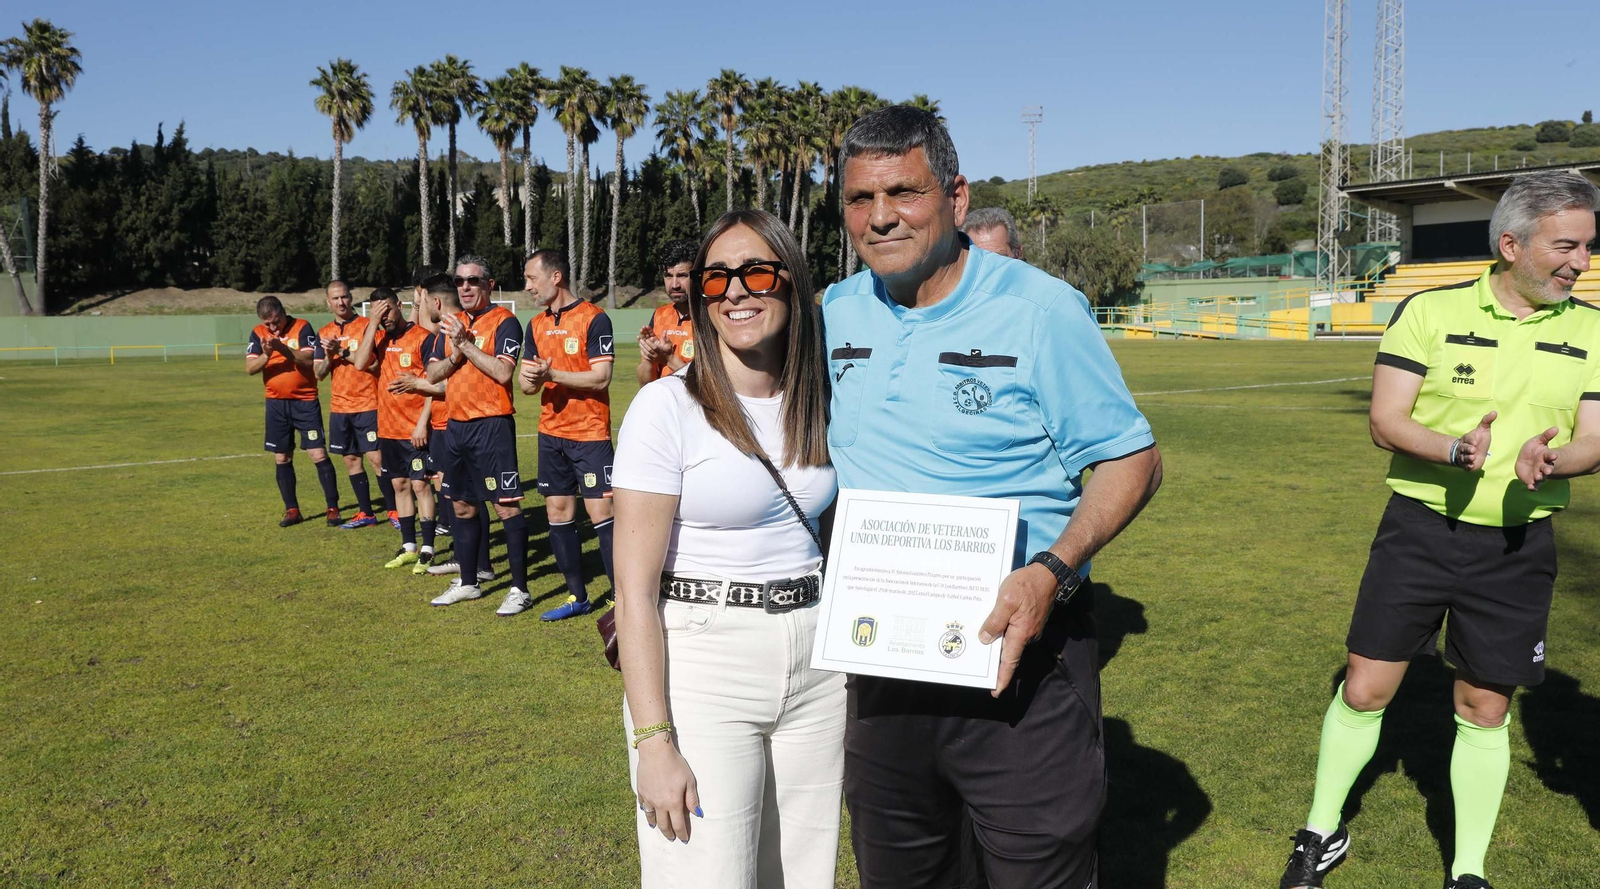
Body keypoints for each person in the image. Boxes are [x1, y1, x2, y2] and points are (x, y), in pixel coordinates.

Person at [823, 106, 1162, 889]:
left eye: (904, 193)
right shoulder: (838, 310)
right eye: (860, 198)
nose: (881, 217)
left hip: (1021, 656)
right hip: (881, 664)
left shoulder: (1040, 310)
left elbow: (1132, 460)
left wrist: (1052, 570)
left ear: (956, 197)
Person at [1279, 171, 1600, 889]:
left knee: (1483, 706)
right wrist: (1453, 449)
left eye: (1588, 246)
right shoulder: (1428, 309)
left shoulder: (1593, 328)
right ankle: (1320, 830)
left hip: (1517, 545)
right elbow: (1385, 420)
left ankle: (1467, 870)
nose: (1581, 262)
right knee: (1365, 687)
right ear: (1512, 244)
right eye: (1567, 246)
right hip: (1419, 531)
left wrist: (1556, 459)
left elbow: (1595, 438)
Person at [614, 208, 842, 887]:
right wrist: (653, 740)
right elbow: (632, 591)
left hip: (820, 661)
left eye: (756, 272)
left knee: (802, 874)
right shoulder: (667, 408)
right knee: (707, 873)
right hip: (704, 659)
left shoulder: (822, 399)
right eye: (715, 278)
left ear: (791, 280)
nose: (735, 291)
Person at [518, 248, 618, 620]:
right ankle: (578, 598)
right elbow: (527, 386)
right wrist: (533, 379)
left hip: (589, 433)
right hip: (551, 433)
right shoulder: (536, 324)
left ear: (555, 276)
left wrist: (552, 375)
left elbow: (601, 378)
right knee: (557, 512)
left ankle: (622, 598)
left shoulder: (594, 318)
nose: (527, 286)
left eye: (531, 278)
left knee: (601, 513)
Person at [424, 256, 528, 608]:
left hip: (492, 425)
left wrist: (465, 344)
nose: (465, 287)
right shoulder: (451, 324)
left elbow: (503, 373)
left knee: (505, 508)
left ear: (489, 284)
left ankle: (520, 590)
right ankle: (469, 582)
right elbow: (432, 374)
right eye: (459, 281)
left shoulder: (505, 322)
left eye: (473, 280)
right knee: (462, 506)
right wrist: (456, 353)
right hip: (456, 426)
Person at [353, 287, 439, 571]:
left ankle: (428, 548)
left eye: (387, 310)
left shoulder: (423, 338)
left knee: (420, 485)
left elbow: (434, 384)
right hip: (388, 429)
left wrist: (422, 423)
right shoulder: (378, 338)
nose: (384, 317)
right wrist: (373, 324)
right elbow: (360, 363)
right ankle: (409, 546)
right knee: (399, 485)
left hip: (415, 429)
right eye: (378, 312)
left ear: (399, 306)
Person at [245, 295, 345, 527]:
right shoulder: (258, 333)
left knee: (318, 454)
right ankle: (292, 510)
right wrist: (267, 354)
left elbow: (309, 359)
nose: (273, 328)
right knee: (282, 457)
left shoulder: (302, 327)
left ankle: (332, 508)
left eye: (276, 321)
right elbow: (250, 368)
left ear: (283, 312)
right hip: (276, 404)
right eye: (268, 324)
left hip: (305, 402)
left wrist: (282, 348)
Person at [316, 279, 393, 529]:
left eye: (344, 297)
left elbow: (377, 365)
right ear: (328, 302)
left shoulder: (368, 326)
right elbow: (319, 373)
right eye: (335, 298)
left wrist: (342, 352)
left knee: (376, 459)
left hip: (368, 403)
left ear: (351, 298)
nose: (341, 302)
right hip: (340, 408)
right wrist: (329, 356)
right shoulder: (324, 332)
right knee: (351, 460)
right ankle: (366, 512)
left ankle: (394, 510)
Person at [636, 238, 698, 385]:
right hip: (663, 399)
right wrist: (650, 359)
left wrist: (669, 359)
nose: (675, 285)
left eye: (682, 276)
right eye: (669, 276)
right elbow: (645, 384)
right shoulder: (660, 315)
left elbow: (707, 384)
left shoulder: (709, 317)